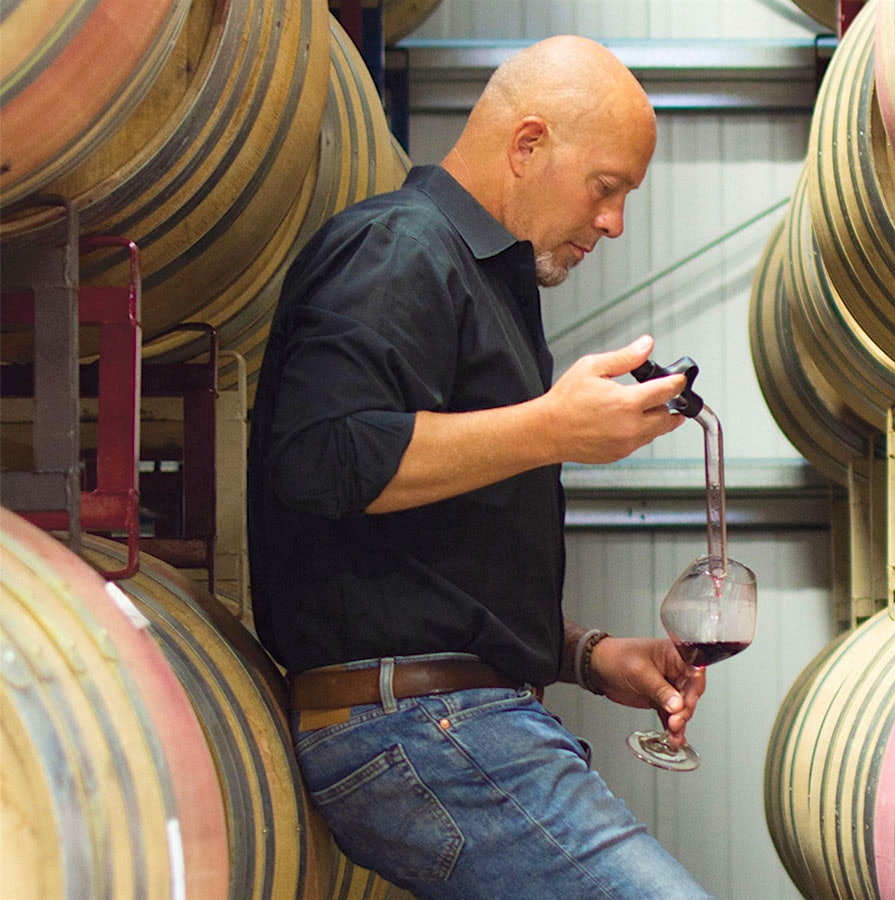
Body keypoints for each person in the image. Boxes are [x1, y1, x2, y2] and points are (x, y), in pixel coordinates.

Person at [246, 35, 714, 900]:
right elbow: (320, 459)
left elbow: (428, 569)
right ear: (527, 146)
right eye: (605, 188)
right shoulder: (399, 247)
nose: (613, 223)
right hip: (418, 725)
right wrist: (552, 428)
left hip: (456, 717)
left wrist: (586, 656)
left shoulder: (484, 282)